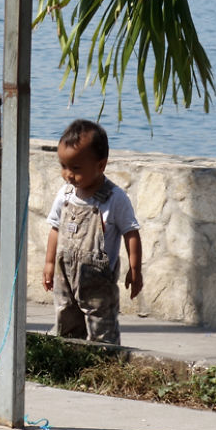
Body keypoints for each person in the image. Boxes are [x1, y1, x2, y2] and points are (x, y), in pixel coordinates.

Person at [42, 119, 142, 345]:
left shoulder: (115, 198)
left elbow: (131, 233)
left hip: (98, 280)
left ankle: (104, 362)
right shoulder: (66, 194)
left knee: (101, 325)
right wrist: (49, 263)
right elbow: (55, 228)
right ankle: (69, 359)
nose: (68, 174)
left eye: (76, 168)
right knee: (65, 317)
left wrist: (135, 269)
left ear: (100, 165)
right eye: (63, 166)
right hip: (65, 275)